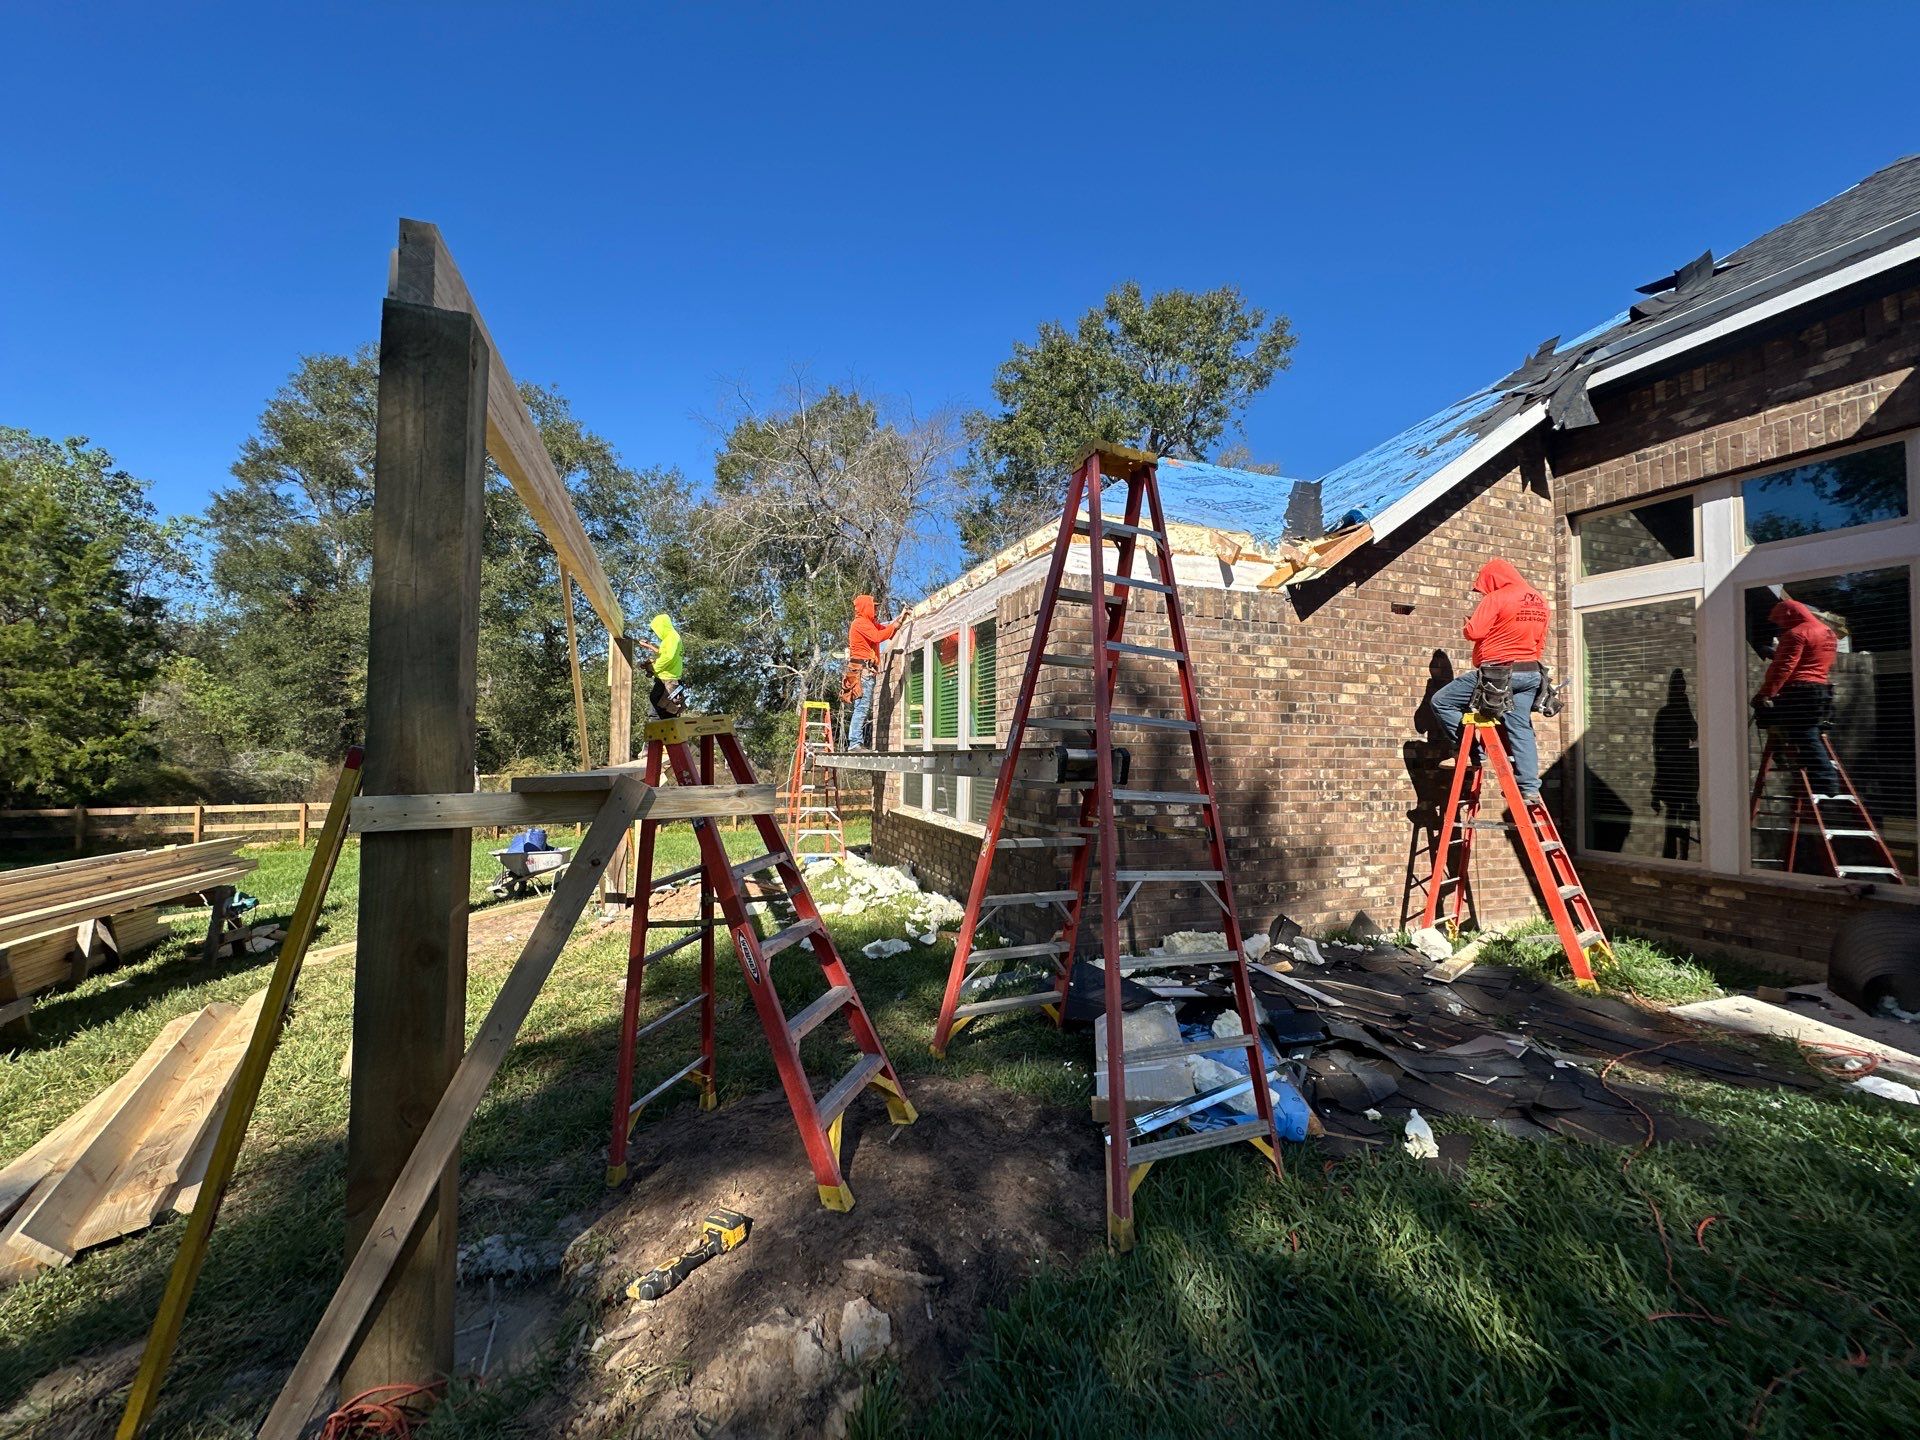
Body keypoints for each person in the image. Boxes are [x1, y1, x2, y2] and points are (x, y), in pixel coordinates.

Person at [1429, 558, 1551, 803]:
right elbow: (1541, 643)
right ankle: (1529, 788)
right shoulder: (1540, 601)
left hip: (1499, 673)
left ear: (1493, 579)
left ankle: (1473, 753)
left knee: (1442, 701)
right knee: (1520, 727)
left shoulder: (1497, 597)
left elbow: (1474, 632)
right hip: (1531, 672)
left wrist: (1468, 624)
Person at [1751, 596, 1840, 795]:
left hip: (1801, 691)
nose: (1779, 625)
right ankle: (1794, 757)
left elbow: (1784, 667)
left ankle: (1826, 780)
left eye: (1780, 620)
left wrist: (1765, 693)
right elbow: (1810, 658)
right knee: (1808, 732)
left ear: (1789, 615)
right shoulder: (1828, 632)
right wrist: (1776, 653)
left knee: (1802, 732)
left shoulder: (1796, 633)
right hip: (1820, 689)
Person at [843, 594, 899, 748]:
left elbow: (887, 630)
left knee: (861, 707)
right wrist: (893, 627)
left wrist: (900, 619)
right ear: (865, 607)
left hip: (865, 671)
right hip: (862, 671)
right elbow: (878, 636)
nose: (876, 609)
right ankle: (854, 744)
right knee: (861, 708)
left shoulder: (869, 623)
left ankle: (855, 742)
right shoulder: (860, 623)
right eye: (873, 606)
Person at [634, 612, 686, 718]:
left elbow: (668, 658)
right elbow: (665, 654)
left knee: (657, 715)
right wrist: (650, 647)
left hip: (666, 682)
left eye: (655, 630)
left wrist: (653, 668)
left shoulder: (671, 638)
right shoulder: (672, 638)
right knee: (668, 714)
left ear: (661, 627)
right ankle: (667, 734)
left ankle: (657, 735)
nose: (656, 633)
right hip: (672, 682)